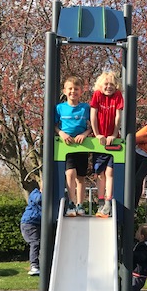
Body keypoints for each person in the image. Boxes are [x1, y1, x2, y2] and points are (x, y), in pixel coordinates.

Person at [55, 75, 91, 216]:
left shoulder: (85, 108)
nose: (73, 92)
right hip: (67, 145)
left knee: (80, 177)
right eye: (70, 89)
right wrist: (61, 134)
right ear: (65, 91)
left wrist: (85, 134)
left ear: (81, 91)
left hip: (81, 145)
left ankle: (80, 205)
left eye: (76, 89)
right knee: (70, 173)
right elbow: (54, 126)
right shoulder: (60, 108)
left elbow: (91, 126)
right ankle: (71, 202)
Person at [90, 71, 124, 217]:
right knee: (100, 173)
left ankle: (109, 200)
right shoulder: (97, 95)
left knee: (110, 172)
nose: (109, 87)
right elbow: (93, 115)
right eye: (106, 84)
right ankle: (101, 201)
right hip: (100, 138)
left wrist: (114, 134)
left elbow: (118, 117)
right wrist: (97, 134)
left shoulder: (117, 96)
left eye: (111, 84)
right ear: (100, 85)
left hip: (112, 138)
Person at [20, 184, 42, 276]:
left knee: (39, 243)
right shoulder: (35, 193)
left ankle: (38, 264)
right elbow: (38, 199)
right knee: (35, 243)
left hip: (36, 223)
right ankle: (34, 266)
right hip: (29, 223)